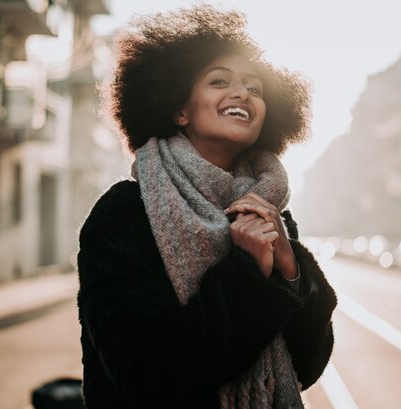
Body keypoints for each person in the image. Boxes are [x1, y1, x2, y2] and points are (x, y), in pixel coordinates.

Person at [77, 5, 337, 409]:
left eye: (255, 88)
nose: (242, 93)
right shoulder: (124, 215)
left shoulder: (271, 215)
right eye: (220, 81)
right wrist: (249, 274)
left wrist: (290, 275)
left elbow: (305, 367)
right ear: (179, 108)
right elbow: (146, 375)